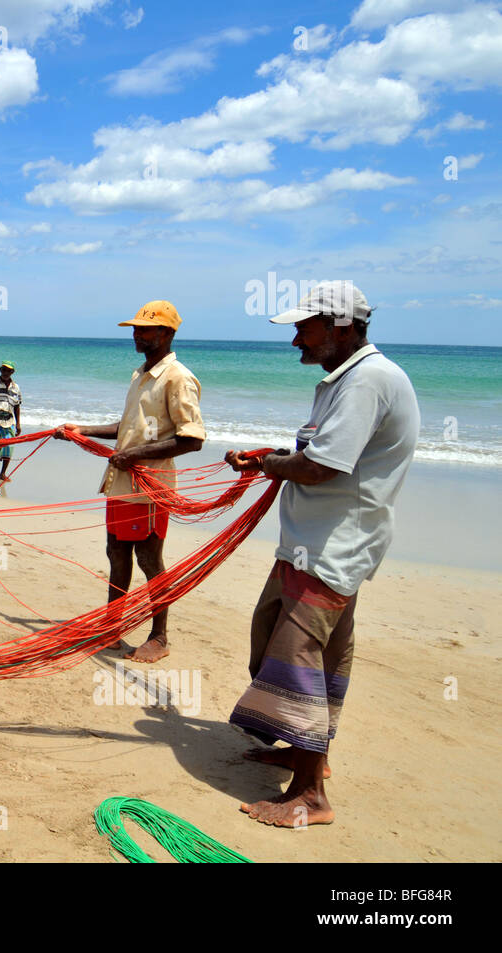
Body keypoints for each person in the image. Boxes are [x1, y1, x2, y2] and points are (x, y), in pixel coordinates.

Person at [223, 281, 418, 829]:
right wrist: (275, 457)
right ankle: (310, 754)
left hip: (334, 547)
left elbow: (321, 468)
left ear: (340, 328)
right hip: (314, 543)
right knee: (302, 651)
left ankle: (309, 795)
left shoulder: (368, 381)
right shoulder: (346, 381)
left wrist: (268, 465)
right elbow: (318, 455)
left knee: (297, 661)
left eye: (303, 328)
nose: (294, 340)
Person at [54, 300, 205, 663]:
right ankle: (111, 628)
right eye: (135, 328)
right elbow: (129, 428)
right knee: (116, 553)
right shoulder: (140, 375)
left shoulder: (178, 378)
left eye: (145, 329)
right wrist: (82, 430)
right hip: (121, 483)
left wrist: (134, 456)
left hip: (150, 487)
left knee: (149, 559)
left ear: (167, 333)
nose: (136, 335)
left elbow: (192, 438)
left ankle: (160, 636)